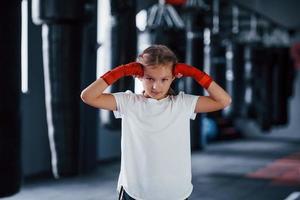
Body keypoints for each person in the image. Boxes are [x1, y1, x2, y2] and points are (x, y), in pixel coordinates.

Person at [80, 45, 232, 200]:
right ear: (138, 75)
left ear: (173, 77)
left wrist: (196, 74)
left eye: (164, 79)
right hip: (135, 192)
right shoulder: (129, 102)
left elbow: (224, 100)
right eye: (149, 78)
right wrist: (121, 71)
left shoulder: (183, 104)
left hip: (176, 193)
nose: (156, 86)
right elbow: (88, 96)